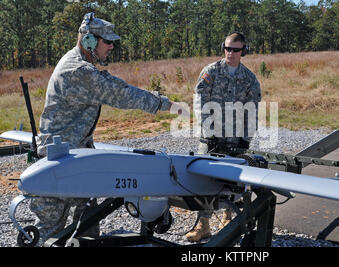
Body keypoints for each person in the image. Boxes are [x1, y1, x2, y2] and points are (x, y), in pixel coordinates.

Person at [30, 13, 185, 246]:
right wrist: (168, 105)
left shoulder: (79, 64)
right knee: (49, 234)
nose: (112, 46)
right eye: (107, 41)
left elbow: (113, 86)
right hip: (62, 166)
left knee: (87, 226)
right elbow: (121, 94)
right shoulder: (79, 71)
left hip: (75, 160)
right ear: (89, 41)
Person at [186, 32, 261, 242]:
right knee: (204, 180)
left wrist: (246, 138)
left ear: (243, 51)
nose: (231, 53)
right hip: (210, 139)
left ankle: (230, 217)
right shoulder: (210, 72)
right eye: (227, 48)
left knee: (235, 181)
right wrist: (208, 132)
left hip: (235, 140)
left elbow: (252, 111)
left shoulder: (249, 79)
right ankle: (203, 225)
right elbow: (200, 103)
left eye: (236, 49)